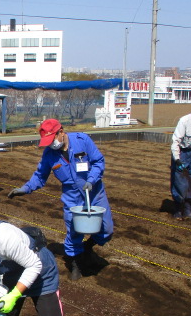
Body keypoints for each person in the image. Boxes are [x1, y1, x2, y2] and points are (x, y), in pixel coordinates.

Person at [8, 119, 113, 281]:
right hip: (72, 195)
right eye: (47, 142)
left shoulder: (82, 141)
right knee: (74, 230)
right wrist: (25, 189)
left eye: (52, 140)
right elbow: (40, 176)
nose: (51, 144)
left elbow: (98, 161)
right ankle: (75, 264)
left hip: (94, 191)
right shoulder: (49, 154)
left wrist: (91, 180)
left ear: (61, 132)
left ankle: (88, 247)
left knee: (106, 229)